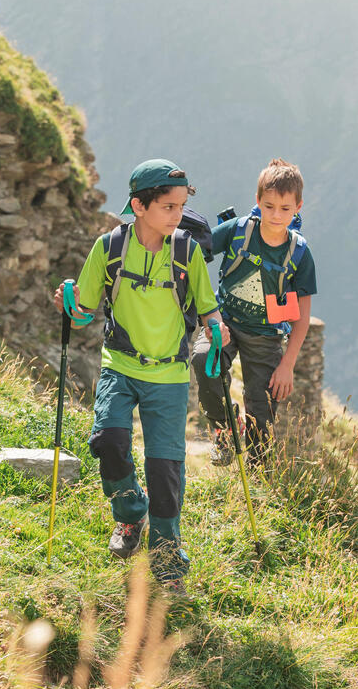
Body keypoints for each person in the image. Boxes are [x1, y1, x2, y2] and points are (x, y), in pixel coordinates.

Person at [54, 158, 228, 595]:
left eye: (181, 206)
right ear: (139, 205)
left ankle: (168, 557)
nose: (177, 215)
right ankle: (131, 513)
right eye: (168, 206)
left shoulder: (187, 251)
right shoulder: (110, 247)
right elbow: (82, 316)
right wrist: (69, 305)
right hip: (121, 364)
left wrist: (216, 330)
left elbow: (207, 308)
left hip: (169, 374)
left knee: (165, 469)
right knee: (108, 442)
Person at [191, 158, 317, 466]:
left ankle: (258, 480)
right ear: (257, 200)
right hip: (225, 323)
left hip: (266, 338)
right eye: (269, 205)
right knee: (202, 361)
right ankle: (226, 430)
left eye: (285, 208)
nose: (276, 215)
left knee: (262, 412)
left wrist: (288, 364)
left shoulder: (299, 253)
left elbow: (301, 317)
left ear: (298, 207)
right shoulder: (237, 231)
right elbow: (194, 255)